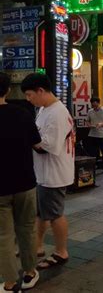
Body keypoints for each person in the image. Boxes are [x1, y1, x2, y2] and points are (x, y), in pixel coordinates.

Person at [21, 73, 75, 269]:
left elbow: (46, 147)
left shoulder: (57, 113)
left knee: (54, 214)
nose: (29, 99)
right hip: (43, 173)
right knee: (40, 213)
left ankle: (61, 251)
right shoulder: (44, 109)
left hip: (54, 174)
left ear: (40, 91)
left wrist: (24, 139)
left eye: (29, 95)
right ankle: (38, 246)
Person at [0, 72, 41, 292]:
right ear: (7, 90)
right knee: (26, 229)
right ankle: (30, 273)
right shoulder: (23, 113)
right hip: (25, 182)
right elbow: (37, 143)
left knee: (3, 235)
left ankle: (8, 283)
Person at [86, 97, 103, 174]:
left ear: (98, 103)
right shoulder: (90, 111)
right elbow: (87, 121)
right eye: (93, 105)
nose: (94, 107)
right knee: (93, 152)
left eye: (95, 105)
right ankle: (93, 167)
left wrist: (101, 124)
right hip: (92, 134)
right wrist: (89, 125)